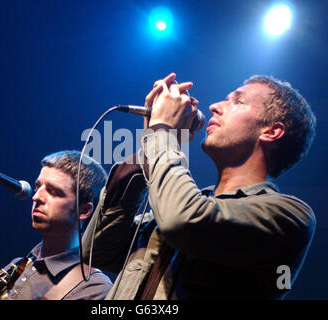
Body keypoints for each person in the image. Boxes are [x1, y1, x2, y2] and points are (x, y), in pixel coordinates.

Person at [82, 73, 316, 299]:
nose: (215, 106)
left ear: (272, 131)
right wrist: (151, 142)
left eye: (238, 101)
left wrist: (162, 132)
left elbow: (182, 220)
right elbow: (97, 252)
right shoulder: (181, 201)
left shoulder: (290, 215)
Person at [0, 150, 112, 300]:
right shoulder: (17, 266)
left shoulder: (93, 287)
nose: (36, 197)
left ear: (84, 210)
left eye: (52, 191)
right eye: (38, 188)